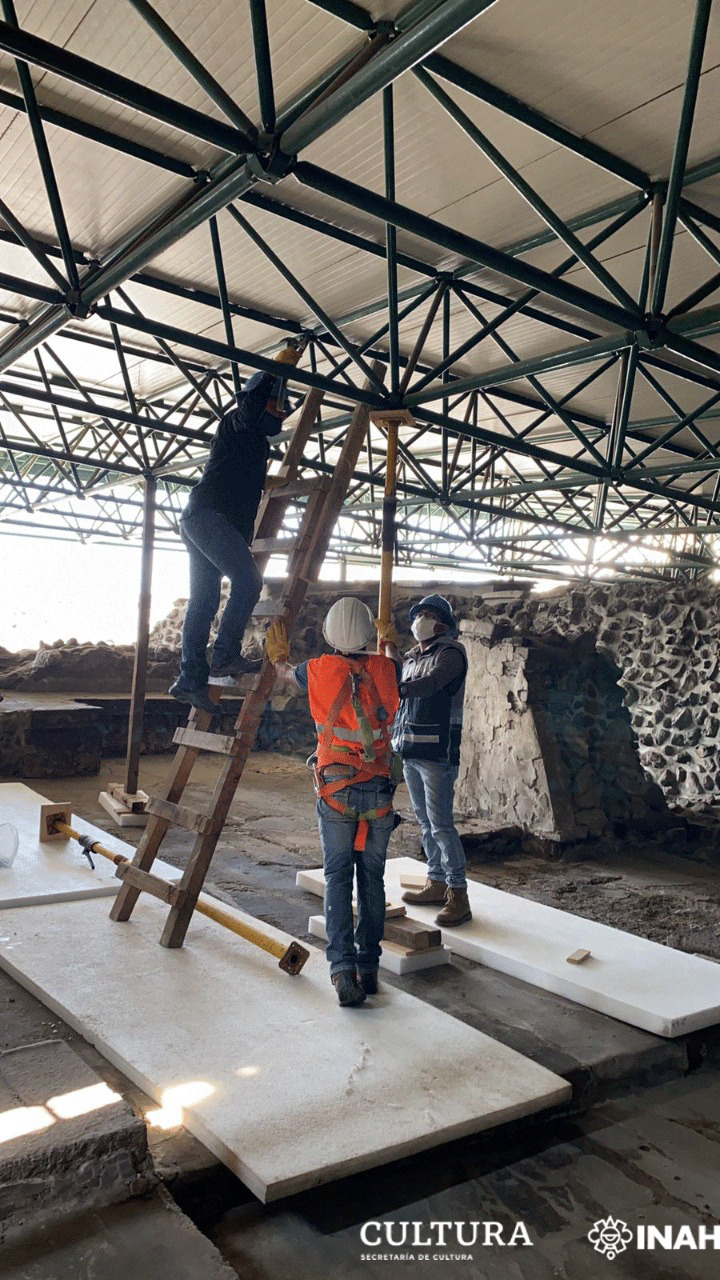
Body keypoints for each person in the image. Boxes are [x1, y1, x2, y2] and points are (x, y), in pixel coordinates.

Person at [267, 598, 400, 1007]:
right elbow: (387, 664)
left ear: (329, 634)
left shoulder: (319, 670)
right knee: (372, 879)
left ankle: (343, 971)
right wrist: (387, 640)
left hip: (336, 788)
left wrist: (278, 657)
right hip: (377, 790)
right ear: (367, 636)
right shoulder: (386, 668)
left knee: (339, 877)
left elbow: (287, 675)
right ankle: (370, 968)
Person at [169, 347, 300, 715]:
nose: (277, 414)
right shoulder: (236, 422)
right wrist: (273, 375)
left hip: (203, 518)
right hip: (210, 517)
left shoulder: (253, 442)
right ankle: (225, 655)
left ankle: (190, 679)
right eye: (273, 406)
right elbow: (249, 409)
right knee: (248, 583)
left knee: (204, 600)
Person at [382, 594, 471, 927]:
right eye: (418, 614)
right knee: (424, 821)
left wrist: (391, 686)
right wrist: (388, 647)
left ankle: (458, 895)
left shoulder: (450, 654)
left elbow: (428, 685)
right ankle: (436, 881)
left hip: (437, 753)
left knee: (441, 824)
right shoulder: (411, 658)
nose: (421, 619)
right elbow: (399, 677)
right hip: (411, 750)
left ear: (442, 624)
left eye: (429, 615)